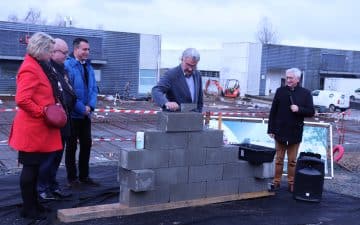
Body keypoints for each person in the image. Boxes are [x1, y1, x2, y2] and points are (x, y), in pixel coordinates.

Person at [8, 32, 62, 220]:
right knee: (30, 169)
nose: (51, 53)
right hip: (32, 129)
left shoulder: (37, 65)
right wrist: (43, 112)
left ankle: (34, 204)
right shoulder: (30, 68)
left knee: (36, 168)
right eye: (50, 50)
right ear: (41, 49)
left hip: (37, 129)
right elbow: (22, 99)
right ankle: (28, 209)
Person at [37, 38, 76, 200]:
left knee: (57, 157)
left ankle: (52, 185)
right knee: (48, 158)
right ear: (52, 52)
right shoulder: (46, 70)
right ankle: (41, 188)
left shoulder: (62, 69)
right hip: (52, 122)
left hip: (64, 120)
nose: (67, 56)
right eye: (64, 52)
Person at [267, 67, 315, 193]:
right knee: (278, 159)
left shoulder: (305, 93)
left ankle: (291, 183)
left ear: (298, 79)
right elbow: (273, 111)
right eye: (287, 77)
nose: (288, 80)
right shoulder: (280, 91)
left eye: (290, 78)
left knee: (293, 160)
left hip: (295, 132)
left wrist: (299, 109)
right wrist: (270, 129)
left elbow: (311, 111)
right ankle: (276, 182)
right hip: (280, 131)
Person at [64, 37, 98, 187]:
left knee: (86, 145)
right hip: (73, 115)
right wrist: (81, 108)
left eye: (88, 49)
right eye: (84, 49)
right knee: (71, 147)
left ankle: (84, 176)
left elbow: (93, 89)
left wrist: (90, 106)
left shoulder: (89, 67)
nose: (87, 52)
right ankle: (72, 179)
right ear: (76, 49)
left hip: (86, 115)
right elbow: (68, 92)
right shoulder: (68, 66)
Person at [152, 48, 203, 112]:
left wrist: (199, 113)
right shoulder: (171, 74)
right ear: (182, 59)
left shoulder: (197, 75)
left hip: (193, 118)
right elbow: (156, 90)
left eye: (193, 66)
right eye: (188, 65)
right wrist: (166, 103)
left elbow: (200, 99)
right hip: (174, 118)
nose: (190, 69)